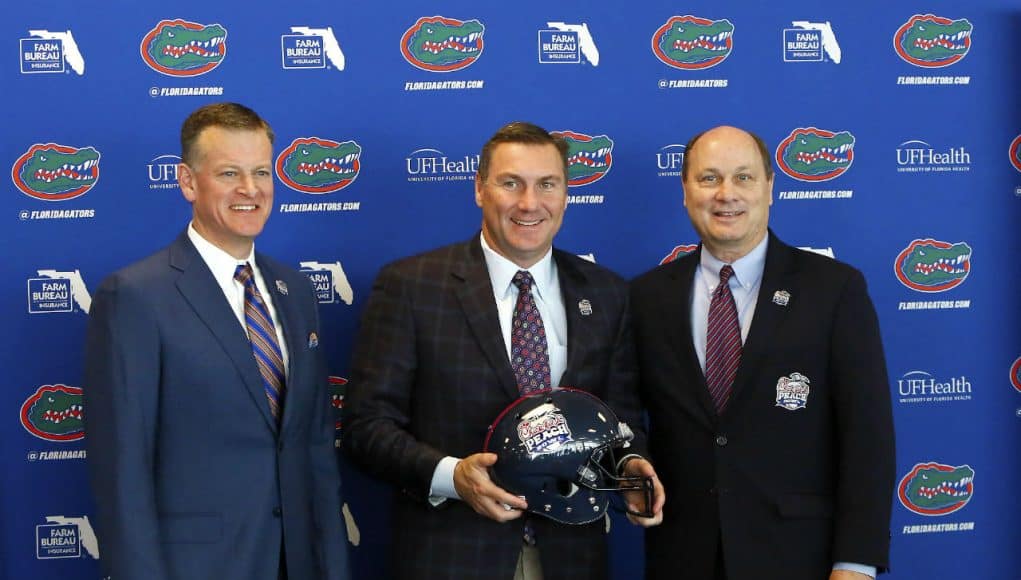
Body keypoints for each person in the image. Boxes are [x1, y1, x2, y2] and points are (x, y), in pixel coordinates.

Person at [343, 121, 664, 580]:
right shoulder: (412, 287)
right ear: (479, 189)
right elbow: (365, 427)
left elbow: (618, 424)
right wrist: (451, 476)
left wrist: (630, 472)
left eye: (546, 185)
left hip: (571, 559)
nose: (529, 203)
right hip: (452, 557)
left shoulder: (607, 293)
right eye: (511, 183)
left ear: (566, 193)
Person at [83, 102, 350, 580]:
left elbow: (314, 452)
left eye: (262, 172)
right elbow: (123, 468)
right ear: (188, 181)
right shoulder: (135, 296)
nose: (250, 190)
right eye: (230, 173)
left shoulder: (296, 292)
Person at [631, 125, 895, 580]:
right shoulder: (646, 297)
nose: (726, 194)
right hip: (682, 556)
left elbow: (868, 437)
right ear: (686, 190)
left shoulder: (835, 291)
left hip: (798, 558)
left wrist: (856, 562)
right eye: (709, 178)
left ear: (770, 187)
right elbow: (627, 413)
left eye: (744, 178)